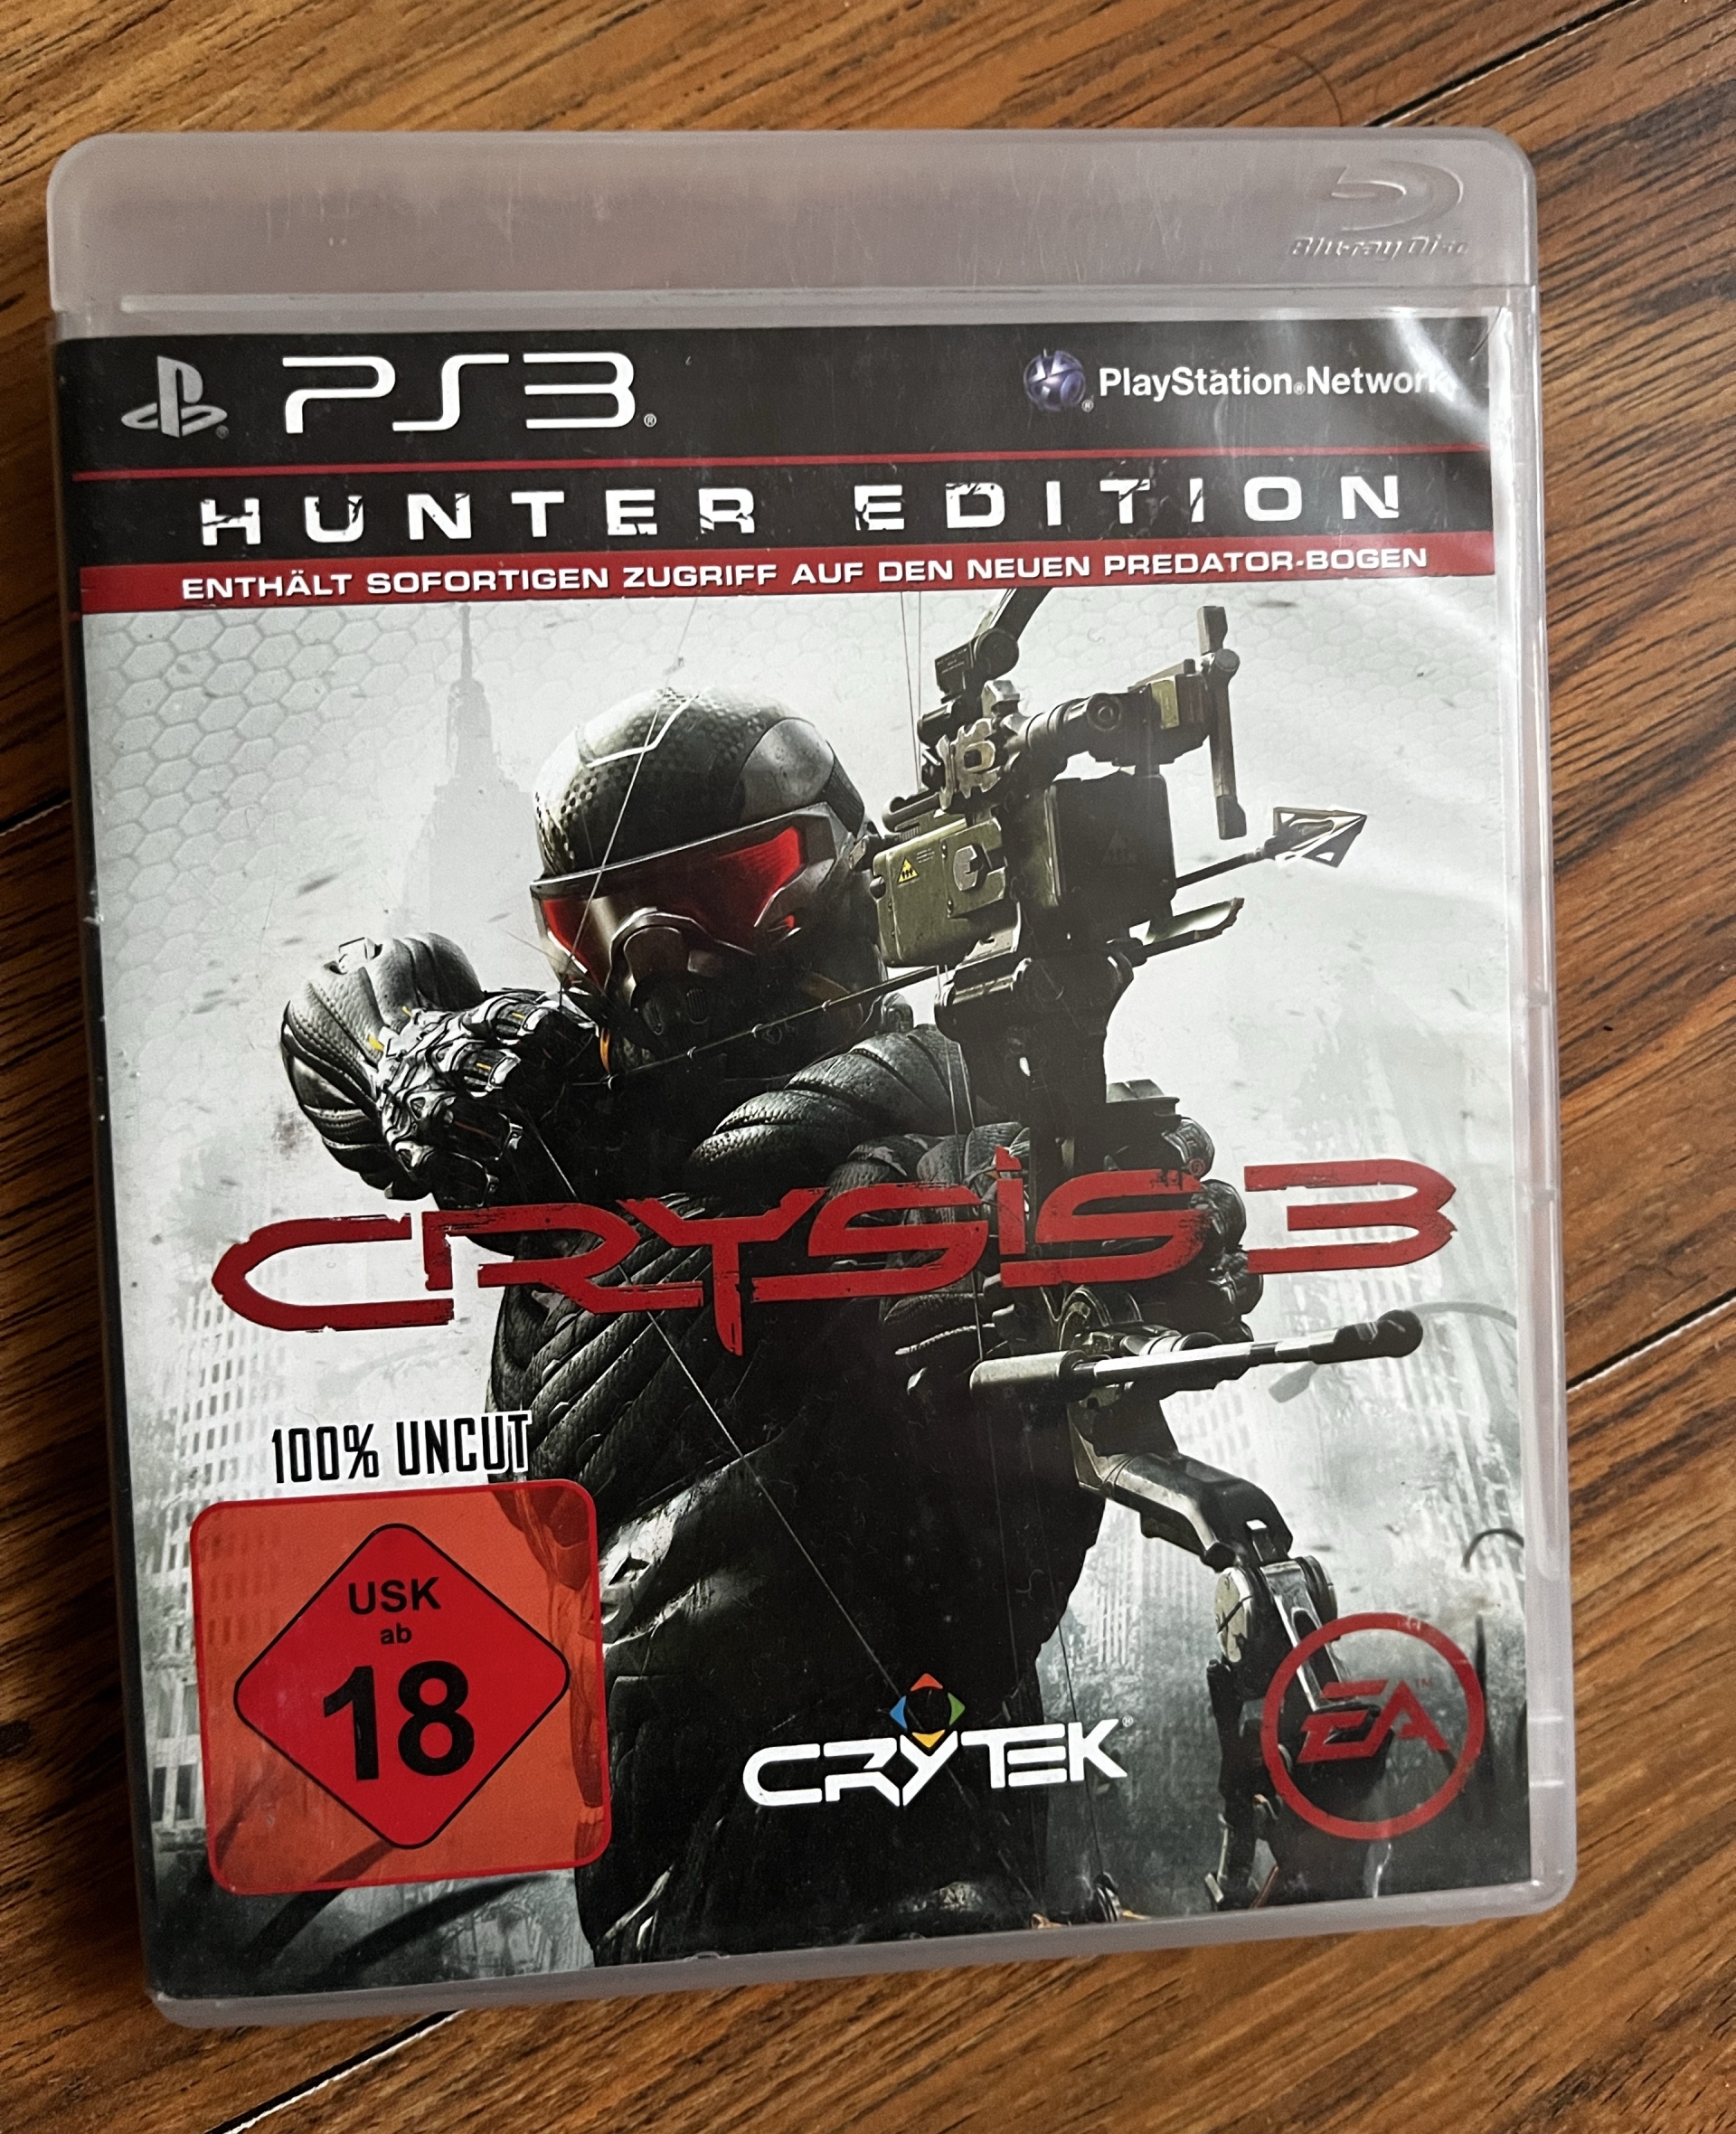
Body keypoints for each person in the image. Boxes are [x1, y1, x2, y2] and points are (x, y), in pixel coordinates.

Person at [281, 685, 1257, 1959]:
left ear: (841, 881)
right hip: (651, 1872)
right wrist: (420, 1057)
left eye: (725, 893)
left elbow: (958, 1268)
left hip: (894, 1847)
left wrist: (1077, 1244)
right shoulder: (567, 1129)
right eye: (598, 923)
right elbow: (346, 1003)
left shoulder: (910, 1130)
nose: (656, 959)